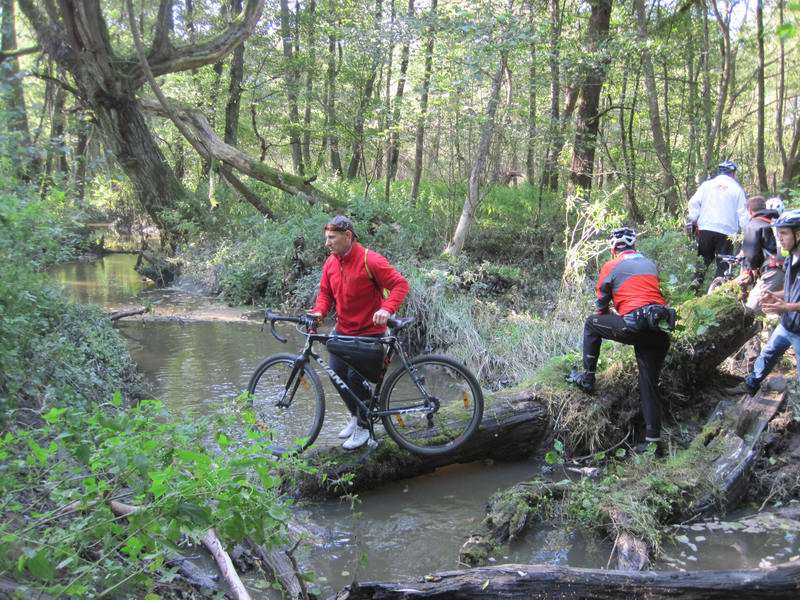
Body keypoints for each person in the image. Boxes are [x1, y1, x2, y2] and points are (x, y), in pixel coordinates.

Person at [568, 228, 674, 455]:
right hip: (659, 327)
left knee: (591, 323)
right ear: (634, 246)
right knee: (649, 384)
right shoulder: (649, 263)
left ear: (613, 249)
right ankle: (653, 441)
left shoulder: (610, 266)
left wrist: (617, 307)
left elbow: (600, 308)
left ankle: (587, 378)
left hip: (634, 326)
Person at [308, 215, 410, 449]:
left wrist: (386, 308)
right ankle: (356, 418)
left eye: (332, 238)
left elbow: (400, 285)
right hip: (343, 331)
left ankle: (365, 428)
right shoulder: (331, 262)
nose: (327, 243)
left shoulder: (369, 260)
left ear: (348, 236)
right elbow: (325, 293)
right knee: (336, 373)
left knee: (355, 379)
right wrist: (318, 313)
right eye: (326, 238)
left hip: (369, 334)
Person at [744, 209, 800, 395]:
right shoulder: (791, 258)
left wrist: (786, 307)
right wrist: (775, 295)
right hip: (787, 323)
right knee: (767, 355)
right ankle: (750, 385)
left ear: (798, 234)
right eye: (779, 233)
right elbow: (792, 291)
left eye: (784, 233)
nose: (780, 238)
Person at [687, 160, 749, 293]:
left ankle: (695, 285)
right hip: (727, 232)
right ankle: (717, 291)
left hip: (706, 228)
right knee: (723, 263)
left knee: (703, 258)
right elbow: (743, 213)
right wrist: (747, 232)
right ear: (733, 173)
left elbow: (693, 203)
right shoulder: (737, 189)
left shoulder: (707, 185)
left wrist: (694, 219)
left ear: (719, 172)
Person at [738, 196, 783, 314]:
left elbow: (751, 254)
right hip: (790, 273)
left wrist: (751, 270)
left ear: (750, 211)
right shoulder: (778, 222)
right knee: (775, 314)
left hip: (772, 273)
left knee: (749, 312)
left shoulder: (754, 224)